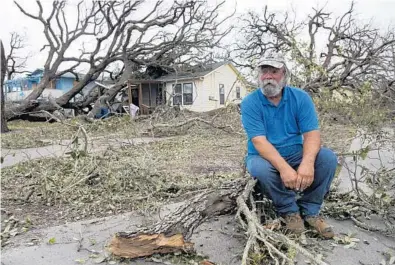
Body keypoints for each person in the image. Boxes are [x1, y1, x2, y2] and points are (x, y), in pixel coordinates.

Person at [240, 52, 337, 239]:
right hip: (263, 156)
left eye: (274, 71)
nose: (268, 76)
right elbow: (259, 141)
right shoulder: (250, 102)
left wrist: (307, 163)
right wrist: (285, 169)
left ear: (284, 74)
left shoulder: (301, 98)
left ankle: (310, 211)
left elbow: (312, 135)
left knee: (327, 158)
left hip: (295, 151)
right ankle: (289, 212)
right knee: (259, 168)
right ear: (258, 76)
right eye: (264, 71)